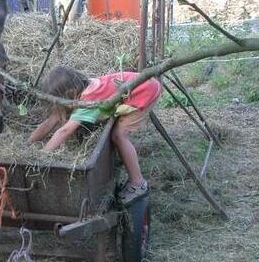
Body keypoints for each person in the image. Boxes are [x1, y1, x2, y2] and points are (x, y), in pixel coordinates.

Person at [28, 66, 161, 206]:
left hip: (144, 91)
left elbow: (64, 131)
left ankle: (138, 183)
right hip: (143, 82)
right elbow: (51, 120)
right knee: (116, 133)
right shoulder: (87, 85)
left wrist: (43, 155)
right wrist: (28, 144)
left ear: (71, 94)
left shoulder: (87, 103)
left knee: (118, 136)